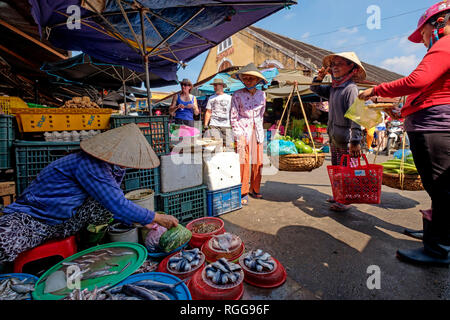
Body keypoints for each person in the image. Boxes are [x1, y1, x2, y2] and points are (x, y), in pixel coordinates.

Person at [0, 123, 178, 262]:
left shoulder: (115, 167)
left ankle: (88, 249)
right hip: (35, 217)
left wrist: (139, 220)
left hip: (64, 219)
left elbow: (111, 202)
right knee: (4, 241)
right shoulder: (89, 164)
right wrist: (156, 218)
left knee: (104, 206)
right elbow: (116, 203)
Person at [359, 1, 450, 266]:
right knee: (438, 188)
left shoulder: (445, 44)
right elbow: (425, 91)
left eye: (422, 33)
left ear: (439, 23)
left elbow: (416, 81)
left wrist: (377, 89)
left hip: (436, 127)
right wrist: (400, 110)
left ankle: (439, 248)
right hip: (429, 122)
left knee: (442, 188)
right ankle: (435, 233)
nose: (422, 40)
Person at [310, 52, 365, 212]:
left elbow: (356, 116)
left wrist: (355, 141)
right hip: (334, 135)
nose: (335, 67)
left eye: (339, 64)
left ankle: (345, 200)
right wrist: (319, 76)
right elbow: (314, 88)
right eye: (333, 64)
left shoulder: (350, 89)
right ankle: (338, 195)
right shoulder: (334, 88)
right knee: (336, 168)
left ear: (352, 68)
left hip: (346, 138)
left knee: (346, 170)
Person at [230, 63, 267, 205]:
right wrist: (238, 134)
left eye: (251, 78)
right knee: (243, 162)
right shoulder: (237, 94)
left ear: (257, 80)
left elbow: (262, 114)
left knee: (258, 161)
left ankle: (255, 189)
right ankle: (242, 191)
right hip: (241, 129)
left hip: (256, 130)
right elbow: (233, 116)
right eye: (245, 78)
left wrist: (258, 127)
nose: (248, 81)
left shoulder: (262, 94)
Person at [204, 78, 232, 143]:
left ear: (221, 86)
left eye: (216, 85)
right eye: (214, 86)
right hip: (214, 125)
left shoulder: (229, 97)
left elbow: (233, 111)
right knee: (216, 144)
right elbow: (208, 112)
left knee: (229, 145)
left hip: (226, 125)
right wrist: (205, 125)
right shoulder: (211, 98)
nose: (214, 87)